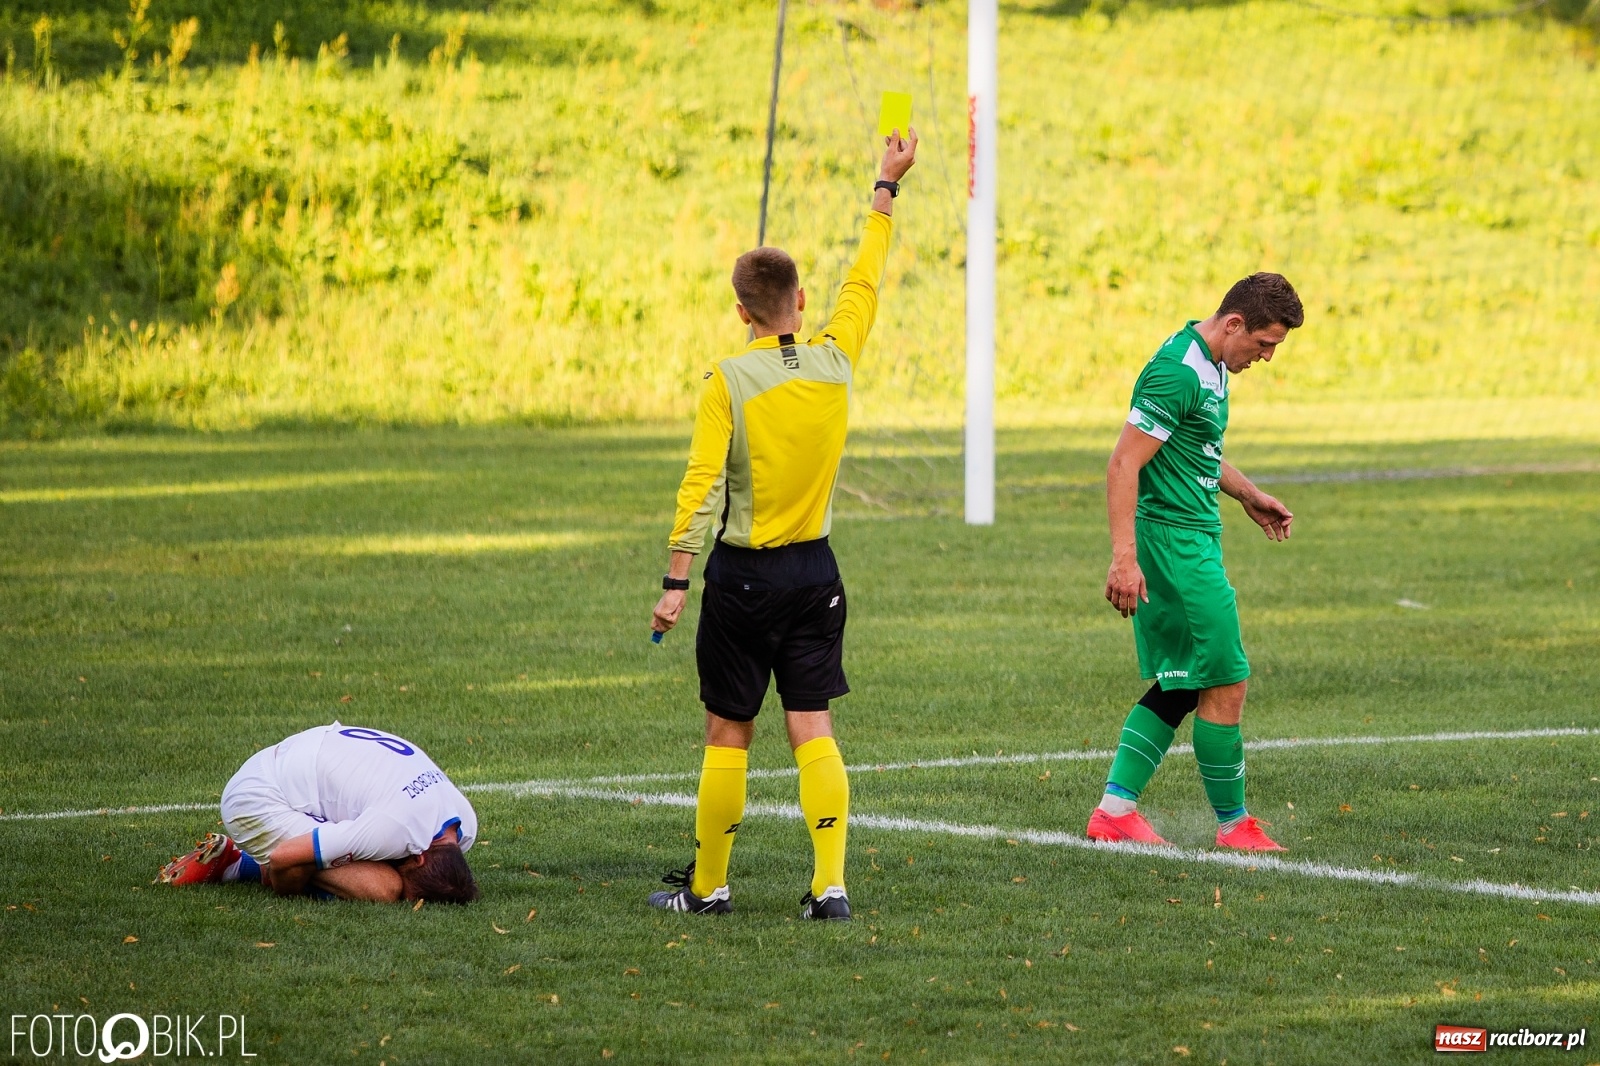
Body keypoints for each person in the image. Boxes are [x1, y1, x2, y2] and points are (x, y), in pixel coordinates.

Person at [645, 128, 919, 920]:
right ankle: (829, 887)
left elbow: (700, 485)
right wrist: (884, 186)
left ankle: (707, 888)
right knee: (813, 726)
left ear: (740, 313)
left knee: (729, 731)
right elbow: (865, 281)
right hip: (817, 577)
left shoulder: (727, 379)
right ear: (802, 301)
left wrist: (673, 583)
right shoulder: (836, 359)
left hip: (744, 578)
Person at [1087, 274, 1304, 852]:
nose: (1265, 356)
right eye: (1263, 344)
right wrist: (1123, 560)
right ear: (1234, 324)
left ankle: (1114, 812)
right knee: (1228, 678)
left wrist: (1249, 494)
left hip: (1194, 537)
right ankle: (1234, 826)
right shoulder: (1177, 371)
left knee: (1183, 683)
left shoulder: (1210, 365)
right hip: (1174, 546)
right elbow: (1122, 465)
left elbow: (1197, 448)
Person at [158, 722, 479, 903]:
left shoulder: (466, 825)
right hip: (256, 799)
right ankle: (238, 864)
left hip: (297, 760)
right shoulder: (392, 828)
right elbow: (285, 857)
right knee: (385, 889)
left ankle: (243, 860)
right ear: (421, 857)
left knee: (373, 863)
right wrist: (281, 877)